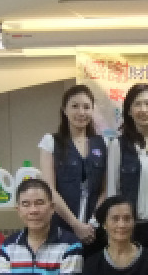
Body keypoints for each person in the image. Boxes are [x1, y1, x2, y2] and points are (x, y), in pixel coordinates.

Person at [106, 82, 148, 275]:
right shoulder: (119, 146)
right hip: (132, 229)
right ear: (129, 111)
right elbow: (112, 191)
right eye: (137, 104)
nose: (144, 110)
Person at [38, 84, 107, 252]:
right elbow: (49, 189)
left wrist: (92, 223)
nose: (81, 112)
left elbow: (105, 189)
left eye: (86, 107)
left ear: (92, 110)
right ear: (64, 110)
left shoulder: (103, 143)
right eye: (75, 106)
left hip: (94, 230)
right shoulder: (51, 142)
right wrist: (76, 225)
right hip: (61, 227)